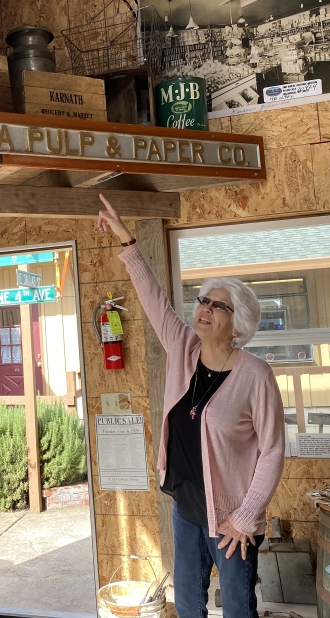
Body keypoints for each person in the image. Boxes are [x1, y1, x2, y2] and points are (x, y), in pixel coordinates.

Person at [97, 194, 285, 618]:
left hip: (232, 521)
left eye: (218, 305)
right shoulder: (184, 349)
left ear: (238, 324)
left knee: (238, 609)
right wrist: (127, 243)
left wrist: (246, 516)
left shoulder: (255, 375)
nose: (204, 309)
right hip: (186, 509)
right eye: (203, 300)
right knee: (186, 606)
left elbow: (272, 450)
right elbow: (154, 301)